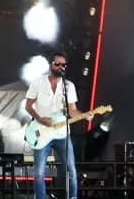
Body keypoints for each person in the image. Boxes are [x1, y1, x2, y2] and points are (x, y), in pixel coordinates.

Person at [25, 51, 88, 199]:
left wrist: (84, 115)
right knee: (39, 172)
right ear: (50, 65)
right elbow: (28, 106)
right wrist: (40, 119)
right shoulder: (38, 82)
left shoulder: (68, 86)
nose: (61, 67)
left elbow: (72, 110)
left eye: (63, 65)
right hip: (41, 131)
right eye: (58, 64)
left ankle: (72, 197)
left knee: (71, 170)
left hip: (61, 134)